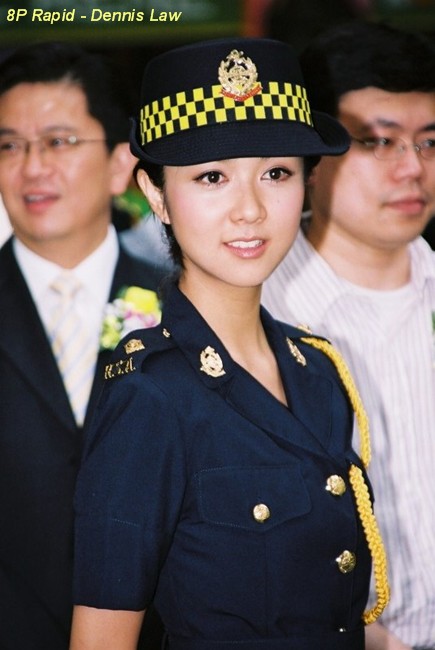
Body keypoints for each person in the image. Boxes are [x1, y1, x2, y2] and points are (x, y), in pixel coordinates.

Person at [69, 36, 390, 650]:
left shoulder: (317, 369)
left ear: (307, 184)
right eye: (212, 177)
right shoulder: (151, 397)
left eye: (276, 173)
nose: (250, 210)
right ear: (156, 194)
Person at [262, 21, 435, 649]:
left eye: (429, 141)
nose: (412, 168)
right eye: (378, 142)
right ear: (312, 156)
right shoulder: (258, 316)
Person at [0, 41, 166, 650]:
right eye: (9, 146)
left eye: (59, 141)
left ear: (121, 164)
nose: (32, 168)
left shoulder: (184, 311)